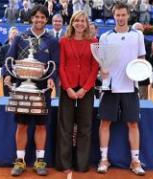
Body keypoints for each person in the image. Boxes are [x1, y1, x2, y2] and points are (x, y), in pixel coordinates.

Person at [3, 5, 59, 176]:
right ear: (31, 18)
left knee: (41, 126)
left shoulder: (52, 40)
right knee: (21, 125)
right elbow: (9, 59)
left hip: (43, 89)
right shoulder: (20, 38)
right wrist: (7, 75)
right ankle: (20, 161)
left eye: (43, 17)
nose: (39, 20)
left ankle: (40, 160)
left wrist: (51, 78)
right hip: (22, 87)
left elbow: (55, 64)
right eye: (36, 17)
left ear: (46, 19)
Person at [97, 2, 146, 176]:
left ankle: (135, 161)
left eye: (123, 15)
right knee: (105, 123)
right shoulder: (105, 37)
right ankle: (104, 159)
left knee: (133, 124)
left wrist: (139, 73)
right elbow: (102, 62)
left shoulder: (137, 35)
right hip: (110, 86)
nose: (120, 18)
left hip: (130, 86)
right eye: (117, 15)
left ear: (128, 15)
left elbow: (142, 60)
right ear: (113, 16)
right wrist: (102, 69)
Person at [56, 10, 98, 172]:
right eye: (77, 20)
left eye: (83, 21)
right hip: (68, 87)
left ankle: (82, 164)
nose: (80, 23)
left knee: (85, 127)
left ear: (87, 24)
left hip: (86, 89)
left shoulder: (94, 41)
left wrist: (85, 88)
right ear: (72, 22)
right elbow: (61, 66)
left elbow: (95, 67)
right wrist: (67, 88)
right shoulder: (64, 41)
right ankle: (64, 163)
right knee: (65, 126)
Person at [132, 22, 152, 99]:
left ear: (143, 30)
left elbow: (148, 59)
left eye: (140, 29)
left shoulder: (149, 43)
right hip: (129, 76)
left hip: (143, 75)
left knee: (143, 100)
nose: (139, 31)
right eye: (137, 29)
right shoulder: (128, 42)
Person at [0, 27, 19, 96]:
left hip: (18, 75)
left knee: (18, 95)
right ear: (9, 35)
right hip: (6, 75)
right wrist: (9, 69)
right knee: (7, 96)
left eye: (16, 33)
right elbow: (0, 61)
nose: (15, 35)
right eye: (13, 33)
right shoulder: (3, 47)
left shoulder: (21, 48)